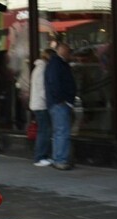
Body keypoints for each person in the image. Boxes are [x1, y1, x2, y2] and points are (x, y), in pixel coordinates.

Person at [45, 42, 77, 170]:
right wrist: (61, 100)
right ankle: (60, 159)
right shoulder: (56, 64)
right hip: (59, 103)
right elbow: (55, 83)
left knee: (61, 131)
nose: (70, 54)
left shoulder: (58, 64)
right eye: (68, 51)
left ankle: (59, 158)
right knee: (62, 131)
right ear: (62, 51)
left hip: (60, 102)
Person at [30, 48, 56, 167]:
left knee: (43, 130)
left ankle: (42, 156)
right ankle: (40, 157)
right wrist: (49, 100)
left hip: (38, 104)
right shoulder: (42, 69)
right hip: (41, 105)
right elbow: (42, 90)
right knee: (44, 131)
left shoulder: (39, 68)